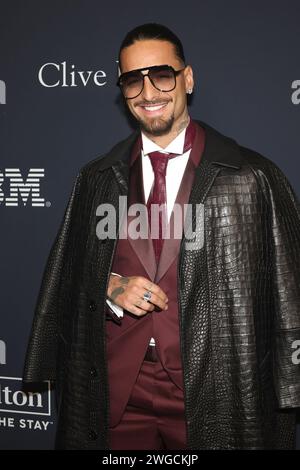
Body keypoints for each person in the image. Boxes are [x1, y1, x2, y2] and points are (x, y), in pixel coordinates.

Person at [23, 23, 300, 450]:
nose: (148, 92)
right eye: (133, 79)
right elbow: (67, 279)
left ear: (187, 79)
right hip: (116, 393)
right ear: (122, 88)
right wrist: (110, 286)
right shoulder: (96, 177)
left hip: (212, 391)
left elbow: (288, 296)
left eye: (162, 75)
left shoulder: (251, 176)